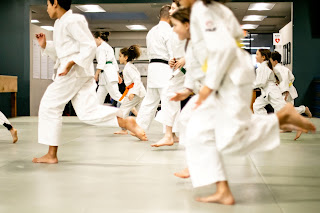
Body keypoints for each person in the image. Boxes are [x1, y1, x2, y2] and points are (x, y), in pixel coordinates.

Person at [177, 0, 316, 205]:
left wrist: (209, 86)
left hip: (230, 77)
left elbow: (222, 49)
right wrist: (189, 87)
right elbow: (213, 46)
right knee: (198, 128)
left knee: (226, 137)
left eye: (178, 3)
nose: (178, 6)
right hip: (228, 76)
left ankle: (279, 119)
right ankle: (220, 186)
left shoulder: (202, 10)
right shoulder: (209, 11)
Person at [33, 0, 147, 164]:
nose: (47, 8)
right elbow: (64, 50)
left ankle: (51, 154)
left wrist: (71, 63)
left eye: (47, 4)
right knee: (87, 111)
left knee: (49, 105)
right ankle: (123, 120)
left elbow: (88, 46)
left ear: (55, 3)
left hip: (72, 70)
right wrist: (45, 46)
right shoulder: (59, 24)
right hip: (77, 70)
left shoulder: (73, 20)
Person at [152, 0, 187, 147]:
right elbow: (177, 51)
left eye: (173, 8)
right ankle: (169, 135)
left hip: (196, 67)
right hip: (181, 69)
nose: (170, 11)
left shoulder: (189, 25)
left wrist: (185, 58)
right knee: (170, 95)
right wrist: (173, 60)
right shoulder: (173, 30)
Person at [136, 5, 173, 132]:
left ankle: (139, 128)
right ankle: (169, 133)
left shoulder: (151, 31)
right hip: (164, 68)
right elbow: (172, 54)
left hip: (152, 67)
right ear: (171, 16)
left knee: (150, 101)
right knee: (167, 101)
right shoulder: (169, 31)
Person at [114, 45, 146, 135]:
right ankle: (140, 130)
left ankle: (124, 130)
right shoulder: (129, 67)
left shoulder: (129, 68)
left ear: (126, 57)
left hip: (135, 92)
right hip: (139, 92)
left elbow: (137, 80)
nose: (119, 57)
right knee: (140, 112)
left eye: (120, 56)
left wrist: (133, 92)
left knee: (122, 110)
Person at [270, 51, 312, 117]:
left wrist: (285, 93)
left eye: (270, 61)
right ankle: (303, 109)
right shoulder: (282, 69)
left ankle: (303, 109)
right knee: (283, 113)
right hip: (285, 91)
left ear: (275, 61)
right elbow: (292, 78)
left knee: (283, 111)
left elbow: (284, 81)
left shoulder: (279, 69)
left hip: (286, 93)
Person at [93, 31, 123, 104]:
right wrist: (117, 74)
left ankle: (134, 109)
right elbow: (114, 62)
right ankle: (96, 115)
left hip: (108, 74)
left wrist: (96, 74)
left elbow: (101, 62)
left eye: (94, 40)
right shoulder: (108, 47)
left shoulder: (101, 48)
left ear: (99, 38)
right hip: (107, 75)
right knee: (98, 98)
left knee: (116, 95)